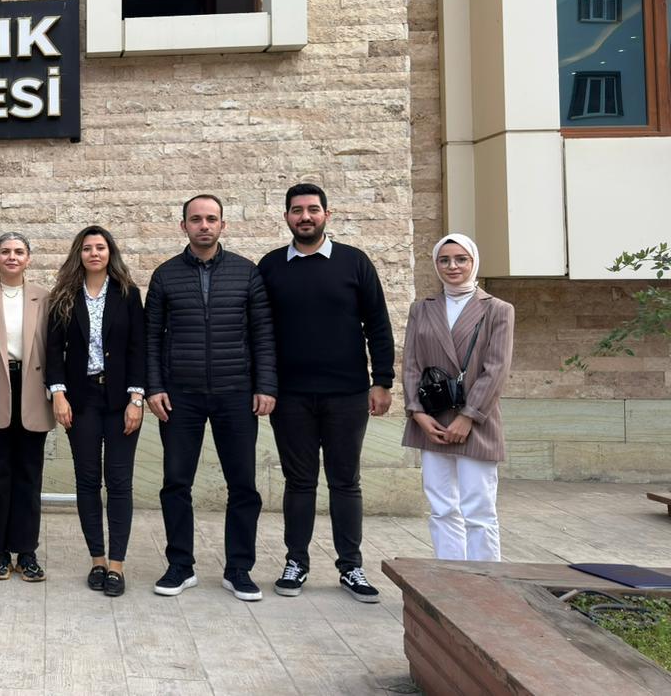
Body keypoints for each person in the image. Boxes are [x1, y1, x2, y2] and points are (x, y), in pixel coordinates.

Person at [257, 184, 394, 603]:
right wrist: (264, 385)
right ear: (286, 217)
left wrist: (382, 380)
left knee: (345, 482)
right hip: (290, 397)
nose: (305, 217)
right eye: (297, 210)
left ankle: (351, 566)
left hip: (347, 394)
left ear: (326, 215)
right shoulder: (271, 266)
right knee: (299, 483)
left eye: (313, 209)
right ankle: (296, 562)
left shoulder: (355, 262)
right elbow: (259, 332)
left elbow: (378, 323)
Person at [145, 195, 277, 601]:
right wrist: (154, 387)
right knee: (175, 483)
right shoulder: (165, 275)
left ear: (223, 225)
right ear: (183, 225)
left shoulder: (246, 272)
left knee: (243, 485)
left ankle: (239, 568)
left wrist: (266, 385)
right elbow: (151, 338)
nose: (204, 225)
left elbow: (262, 333)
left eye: (211, 219)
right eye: (196, 219)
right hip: (179, 396)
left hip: (235, 393)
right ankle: (180, 565)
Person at [45, 225, 147, 598]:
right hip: (81, 399)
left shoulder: (128, 294)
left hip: (121, 401)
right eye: (87, 248)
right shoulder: (64, 296)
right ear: (79, 254)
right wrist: (58, 394)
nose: (94, 253)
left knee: (119, 482)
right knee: (88, 481)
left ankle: (117, 565)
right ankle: (98, 560)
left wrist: (137, 399)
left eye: (100, 247)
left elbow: (139, 347)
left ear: (110, 253)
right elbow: (52, 349)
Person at [403, 233, 512, 562]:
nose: (453, 266)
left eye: (461, 259)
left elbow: (496, 369)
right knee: (441, 508)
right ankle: (449, 576)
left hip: (477, 420)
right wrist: (418, 413)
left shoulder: (497, 309)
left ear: (474, 262)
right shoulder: (422, 309)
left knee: (479, 510)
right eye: (445, 259)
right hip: (432, 420)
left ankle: (485, 580)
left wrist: (468, 417)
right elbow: (411, 364)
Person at [0, 232, 51, 583]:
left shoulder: (44, 298)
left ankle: (27, 551)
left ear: (28, 258)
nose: (12, 257)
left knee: (29, 474)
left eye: (19, 251)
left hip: (32, 389)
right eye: (5, 251)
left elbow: (55, 347)